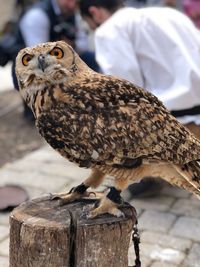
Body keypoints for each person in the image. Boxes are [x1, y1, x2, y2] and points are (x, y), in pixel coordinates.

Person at [79, 0, 200, 197]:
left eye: (90, 25)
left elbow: (124, 87)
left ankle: (148, 177)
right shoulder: (170, 14)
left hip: (175, 122)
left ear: (95, 13)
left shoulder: (110, 29)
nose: (94, 29)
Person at [9, 0, 98, 121]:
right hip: (34, 69)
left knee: (91, 58)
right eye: (69, 0)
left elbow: (84, 44)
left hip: (62, 60)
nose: (73, 5)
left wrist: (70, 46)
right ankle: (41, 106)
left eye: (76, 1)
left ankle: (92, 99)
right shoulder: (37, 16)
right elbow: (38, 55)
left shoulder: (72, 13)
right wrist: (61, 49)